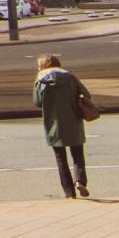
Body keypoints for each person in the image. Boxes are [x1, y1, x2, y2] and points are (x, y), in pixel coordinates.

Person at [32, 53, 94, 199]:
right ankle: (80, 181)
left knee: (61, 158)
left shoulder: (40, 80)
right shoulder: (70, 77)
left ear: (41, 66)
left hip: (53, 123)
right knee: (78, 155)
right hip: (74, 120)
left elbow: (37, 102)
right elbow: (86, 94)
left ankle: (69, 192)